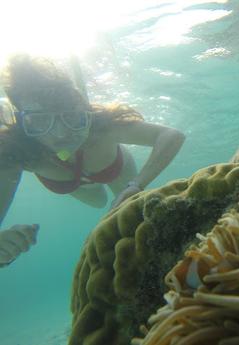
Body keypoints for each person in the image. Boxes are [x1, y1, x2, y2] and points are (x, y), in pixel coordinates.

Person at [0, 54, 185, 267]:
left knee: (129, 212)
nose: (60, 134)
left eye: (69, 116)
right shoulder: (17, 150)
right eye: (40, 120)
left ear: (83, 112)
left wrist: (137, 184)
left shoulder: (101, 126)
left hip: (116, 169)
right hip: (79, 186)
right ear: (23, 122)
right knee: (99, 201)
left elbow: (172, 135)